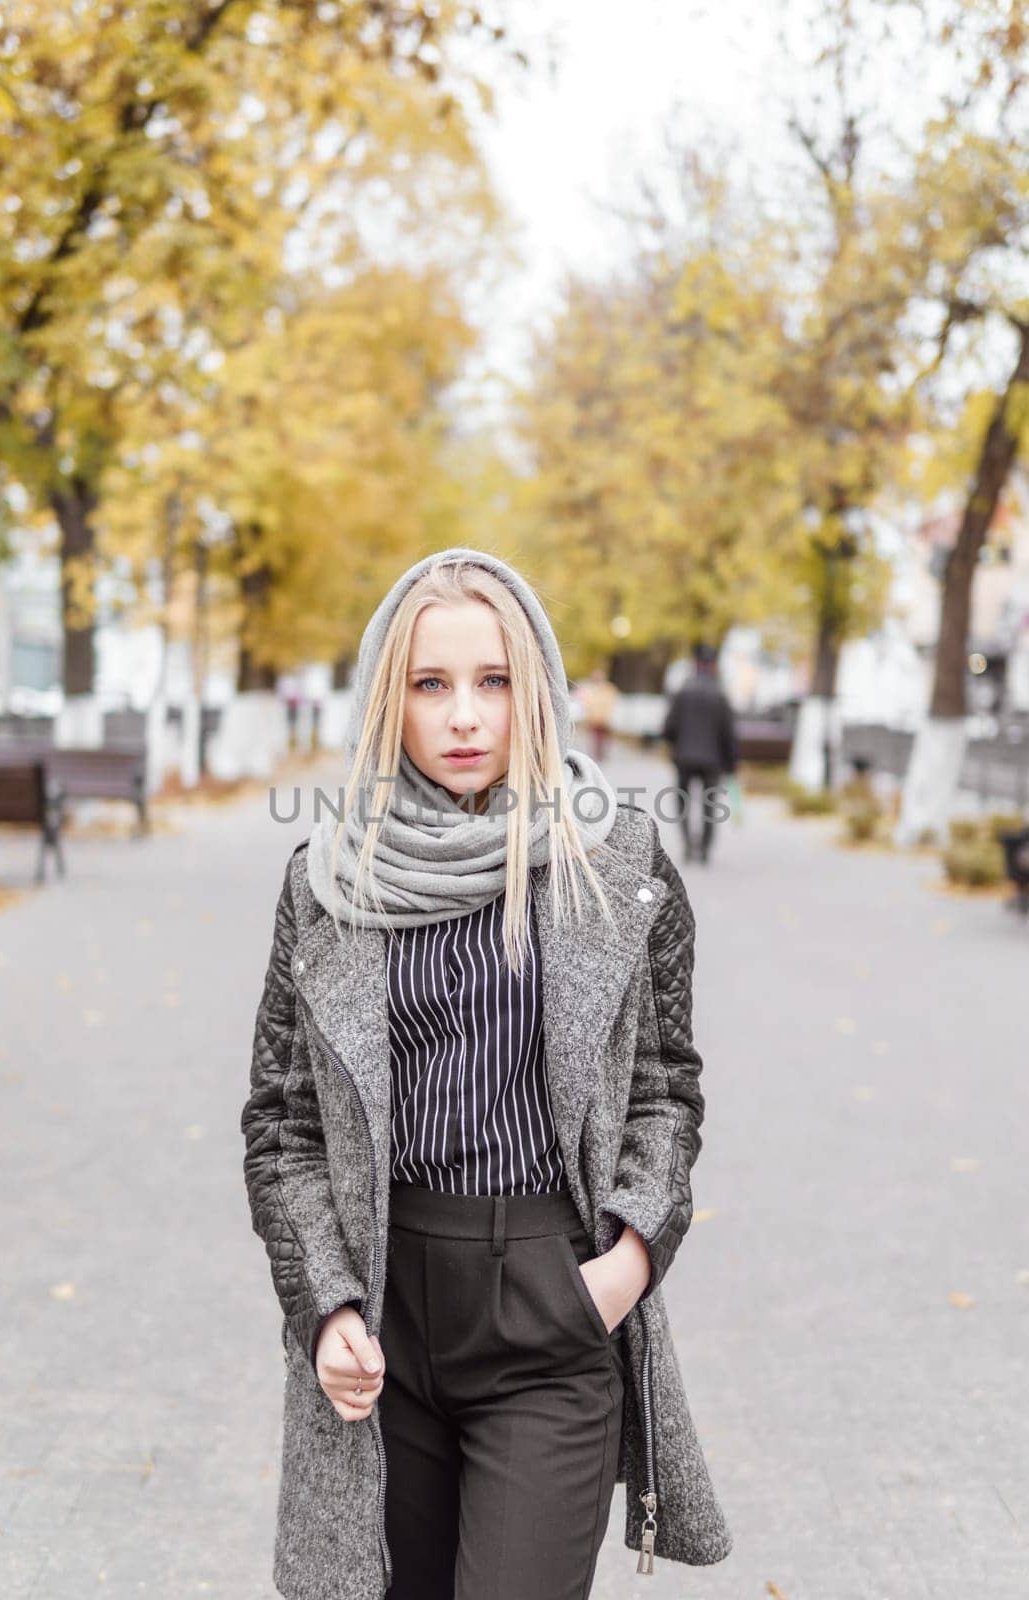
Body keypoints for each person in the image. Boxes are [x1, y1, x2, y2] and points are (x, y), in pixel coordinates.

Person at [240, 548, 732, 1600]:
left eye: (493, 680)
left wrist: (624, 1264)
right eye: (431, 683)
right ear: (390, 698)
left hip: (550, 1317)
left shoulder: (618, 865)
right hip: (386, 1326)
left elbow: (664, 1091)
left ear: (536, 691)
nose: (465, 714)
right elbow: (282, 1128)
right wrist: (325, 1305)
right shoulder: (325, 883)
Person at [661, 643, 739, 865]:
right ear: (713, 666)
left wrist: (675, 745)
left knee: (683, 803)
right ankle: (704, 848)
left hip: (684, 758)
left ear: (696, 664)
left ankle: (687, 844)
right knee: (709, 805)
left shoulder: (682, 691)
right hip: (712, 761)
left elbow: (668, 728)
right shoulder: (720, 695)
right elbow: (728, 733)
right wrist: (731, 763)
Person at [575, 667, 620, 762]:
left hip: (604, 717)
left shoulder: (608, 688)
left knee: (604, 737)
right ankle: (596, 754)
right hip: (594, 717)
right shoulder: (591, 689)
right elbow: (587, 703)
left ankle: (603, 754)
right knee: (595, 737)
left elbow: (611, 702)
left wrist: (608, 713)